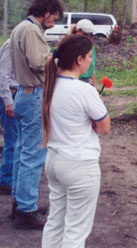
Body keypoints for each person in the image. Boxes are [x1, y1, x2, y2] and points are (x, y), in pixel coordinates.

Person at [41, 34, 110, 248]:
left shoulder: (51, 86)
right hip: (80, 164)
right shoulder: (84, 90)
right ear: (79, 59)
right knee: (75, 231)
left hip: (54, 160)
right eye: (89, 56)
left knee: (55, 223)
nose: (92, 61)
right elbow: (104, 127)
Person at [10, 0, 64, 229]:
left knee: (22, 152)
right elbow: (39, 62)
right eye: (54, 18)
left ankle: (20, 202)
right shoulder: (31, 30)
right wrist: (62, 59)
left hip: (24, 94)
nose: (53, 23)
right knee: (33, 157)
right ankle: (26, 211)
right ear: (47, 12)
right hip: (34, 97)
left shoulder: (21, 27)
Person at [0, 40, 18, 195]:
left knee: (17, 140)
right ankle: (6, 181)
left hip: (19, 94)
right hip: (11, 95)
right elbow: (3, 74)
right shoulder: (11, 45)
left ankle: (12, 178)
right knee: (12, 141)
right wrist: (8, 101)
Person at [70, 19, 97, 87]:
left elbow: (92, 69)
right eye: (85, 34)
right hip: (75, 82)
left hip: (88, 82)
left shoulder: (91, 48)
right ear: (77, 31)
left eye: (90, 35)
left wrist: (94, 88)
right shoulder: (70, 46)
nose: (88, 37)